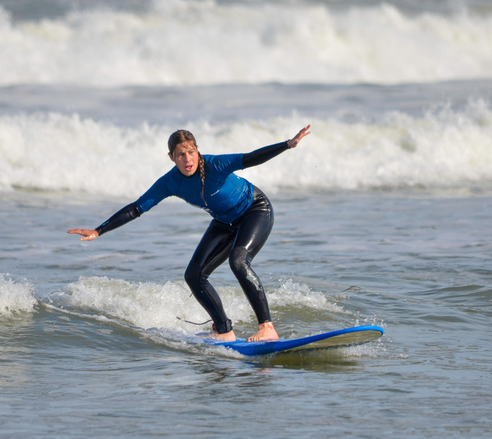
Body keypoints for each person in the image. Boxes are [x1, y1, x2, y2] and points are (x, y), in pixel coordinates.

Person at [68, 125, 311, 342]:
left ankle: (267, 327)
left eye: (191, 152)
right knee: (194, 275)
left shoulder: (215, 164)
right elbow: (137, 208)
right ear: (171, 157)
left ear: (197, 151)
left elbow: (251, 158)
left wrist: (287, 145)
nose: (187, 159)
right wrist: (99, 230)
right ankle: (224, 329)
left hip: (255, 210)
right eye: (180, 155)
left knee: (238, 262)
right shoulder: (170, 182)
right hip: (224, 221)